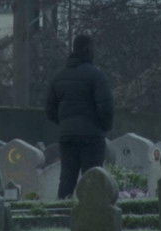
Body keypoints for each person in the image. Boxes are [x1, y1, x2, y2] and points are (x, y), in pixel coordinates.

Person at [45, 34, 114, 199]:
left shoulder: (58, 77)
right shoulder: (97, 76)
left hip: (67, 137)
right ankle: (92, 216)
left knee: (67, 178)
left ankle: (61, 214)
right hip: (92, 136)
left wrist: (65, 124)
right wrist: (103, 126)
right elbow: (106, 107)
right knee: (93, 178)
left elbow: (50, 110)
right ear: (88, 49)